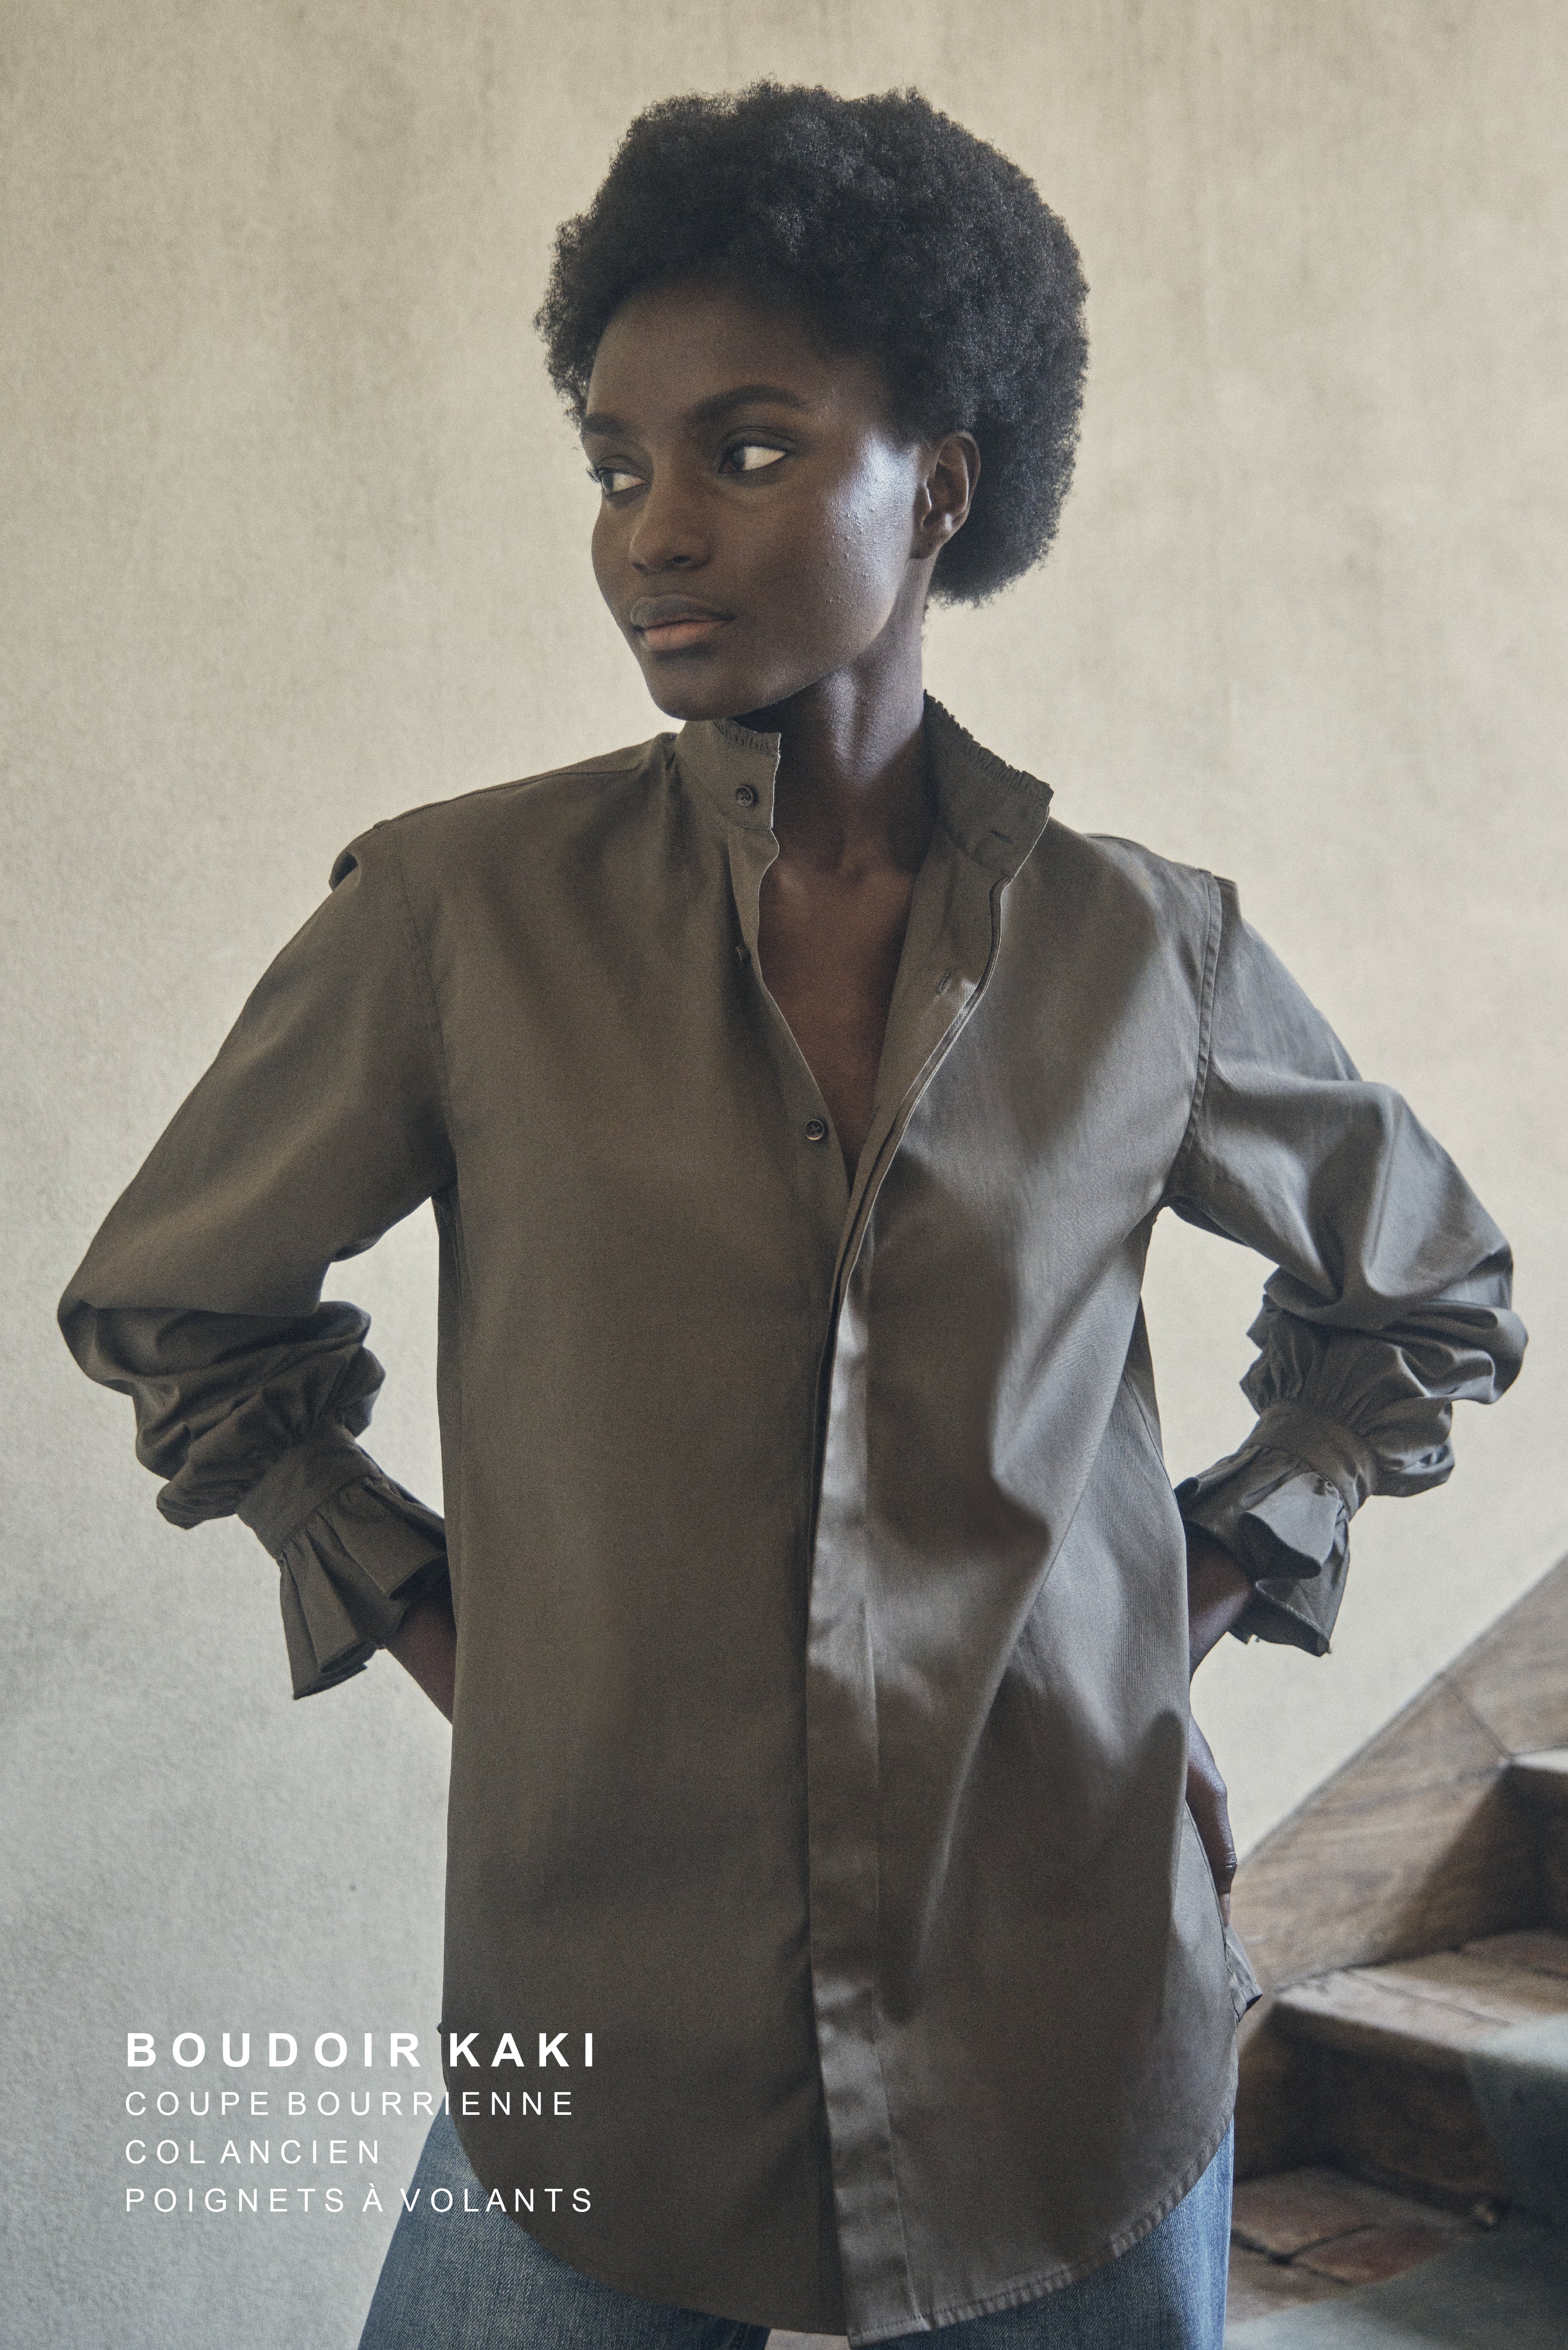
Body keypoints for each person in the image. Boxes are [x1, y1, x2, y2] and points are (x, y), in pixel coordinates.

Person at [59, 83, 1524, 2350]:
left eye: (743, 450)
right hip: (603, 2018)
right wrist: (469, 1647)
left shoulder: (1141, 950)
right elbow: (181, 1308)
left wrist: (1185, 1602)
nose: (653, 528)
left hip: (1071, 2021)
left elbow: (1422, 1291)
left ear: (933, 486)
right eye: (611, 463)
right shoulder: (460, 914)